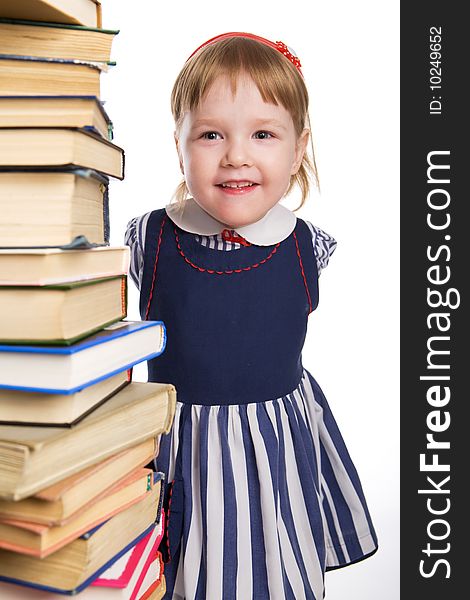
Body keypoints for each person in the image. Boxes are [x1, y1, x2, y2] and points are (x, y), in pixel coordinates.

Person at [125, 32, 378, 600]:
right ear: (180, 145)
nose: (236, 154)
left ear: (299, 146)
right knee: (178, 567)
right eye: (212, 134)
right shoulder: (152, 239)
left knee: (268, 562)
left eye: (263, 134)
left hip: (273, 446)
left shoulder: (304, 245)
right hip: (179, 444)